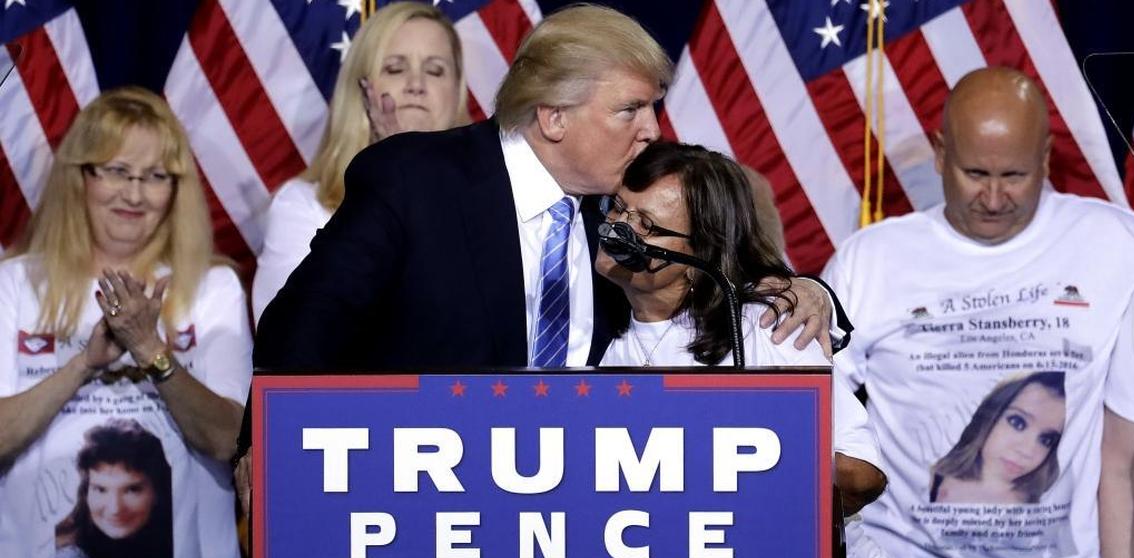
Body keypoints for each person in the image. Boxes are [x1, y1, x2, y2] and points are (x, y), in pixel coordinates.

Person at [254, 3, 842, 375]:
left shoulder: (625, 210)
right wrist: (267, 449)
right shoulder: (416, 180)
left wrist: (806, 288)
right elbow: (301, 328)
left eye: (653, 107)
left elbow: (724, 272)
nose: (653, 130)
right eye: (630, 109)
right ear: (554, 117)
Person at [822, 66, 1134, 558]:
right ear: (940, 155)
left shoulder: (1120, 245)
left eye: (1015, 175)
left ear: (1046, 156)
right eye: (975, 174)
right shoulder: (869, 261)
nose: (994, 198)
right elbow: (812, 419)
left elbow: (1126, 456)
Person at [595, 140, 909, 558]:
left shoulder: (768, 327)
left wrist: (731, 468)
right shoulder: (586, 330)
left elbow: (861, 476)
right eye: (620, 209)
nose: (620, 231)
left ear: (703, 250)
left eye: (648, 226)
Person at [0, 87, 250, 558]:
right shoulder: (15, 284)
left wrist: (151, 351)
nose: (134, 193)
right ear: (80, 178)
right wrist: (83, 366)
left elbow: (231, 438)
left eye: (157, 176)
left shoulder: (213, 288)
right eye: (116, 171)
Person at [252, 1, 469, 323]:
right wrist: (394, 173)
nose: (416, 84)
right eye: (395, 68)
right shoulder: (302, 208)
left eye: (435, 70)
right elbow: (288, 345)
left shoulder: (495, 207)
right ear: (363, 91)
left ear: (457, 93)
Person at [929, 371, 1066, 505]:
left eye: (1046, 440)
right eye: (1017, 423)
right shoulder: (932, 475)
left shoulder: (1042, 505)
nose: (1027, 451)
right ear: (991, 415)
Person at [54, 419, 174, 558]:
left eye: (132, 490)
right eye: (100, 489)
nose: (115, 508)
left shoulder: (182, 543)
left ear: (157, 491)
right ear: (86, 493)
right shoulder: (63, 557)